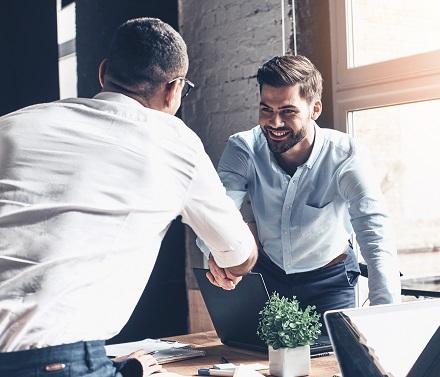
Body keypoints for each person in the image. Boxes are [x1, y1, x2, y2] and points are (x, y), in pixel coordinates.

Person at [0, 18, 257, 377]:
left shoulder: (12, 125)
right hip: (57, 363)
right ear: (173, 90)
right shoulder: (173, 141)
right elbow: (240, 256)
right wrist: (227, 259)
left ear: (103, 73)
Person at [199, 55, 401, 318]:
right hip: (268, 276)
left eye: (288, 111)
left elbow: (375, 233)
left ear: (314, 109)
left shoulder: (346, 155)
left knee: (334, 358)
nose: (275, 123)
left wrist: (385, 316)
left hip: (330, 283)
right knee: (257, 357)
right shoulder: (243, 148)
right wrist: (218, 255)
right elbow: (216, 212)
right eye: (266, 110)